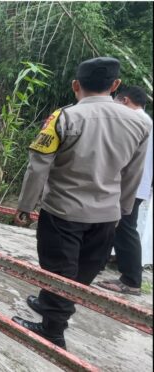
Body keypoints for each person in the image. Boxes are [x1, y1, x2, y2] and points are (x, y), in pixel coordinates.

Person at [12, 57, 151, 349]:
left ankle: (52, 330)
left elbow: (38, 166)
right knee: (83, 271)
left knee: (59, 271)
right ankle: (51, 305)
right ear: (115, 86)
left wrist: (26, 205)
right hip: (106, 215)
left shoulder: (63, 117)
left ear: (76, 85)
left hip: (63, 211)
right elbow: (133, 174)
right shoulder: (138, 124)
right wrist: (123, 211)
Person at [96, 86, 153, 295]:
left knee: (125, 229)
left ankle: (131, 279)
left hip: (131, 184)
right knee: (112, 225)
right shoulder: (147, 121)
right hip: (137, 184)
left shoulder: (138, 121)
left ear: (125, 101)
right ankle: (99, 263)